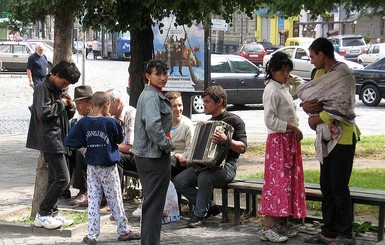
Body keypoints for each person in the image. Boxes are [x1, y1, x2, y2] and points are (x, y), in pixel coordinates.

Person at [300, 37, 360, 245]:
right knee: (326, 185)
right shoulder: (319, 75)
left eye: (312, 56)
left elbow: (343, 106)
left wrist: (318, 118)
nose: (311, 61)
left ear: (321, 54)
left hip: (342, 138)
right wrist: (307, 109)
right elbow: (311, 100)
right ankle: (328, 231)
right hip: (324, 138)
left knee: (339, 187)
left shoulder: (344, 75)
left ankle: (345, 234)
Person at [64, 91, 140, 244]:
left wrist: (86, 144)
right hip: (108, 167)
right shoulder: (110, 122)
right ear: (106, 105)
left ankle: (92, 235)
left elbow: (70, 140)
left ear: (91, 104)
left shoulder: (84, 122)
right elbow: (119, 138)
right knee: (115, 199)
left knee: (93, 200)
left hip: (92, 166)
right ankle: (123, 231)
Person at [173, 85, 247, 228]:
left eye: (207, 102)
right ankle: (210, 207)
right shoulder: (207, 123)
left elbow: (243, 147)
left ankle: (199, 214)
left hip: (227, 166)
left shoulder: (235, 121)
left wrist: (227, 140)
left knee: (205, 177)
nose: (203, 105)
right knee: (179, 181)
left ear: (219, 102)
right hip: (204, 166)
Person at [258, 51, 306, 243]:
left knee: (286, 183)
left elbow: (300, 83)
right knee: (277, 183)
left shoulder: (283, 86)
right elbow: (270, 120)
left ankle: (279, 225)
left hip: (288, 141)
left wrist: (289, 75)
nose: (286, 74)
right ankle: (268, 227)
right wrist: (292, 127)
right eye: (282, 71)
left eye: (288, 71)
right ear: (272, 70)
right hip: (279, 141)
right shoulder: (271, 89)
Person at [26, 61, 80, 229]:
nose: (65, 86)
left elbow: (63, 116)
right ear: (56, 75)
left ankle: (52, 214)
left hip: (60, 138)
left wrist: (70, 107)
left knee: (54, 179)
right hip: (50, 139)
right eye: (64, 82)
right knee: (64, 179)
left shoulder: (58, 90)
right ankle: (43, 213)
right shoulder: (42, 88)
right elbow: (43, 113)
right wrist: (62, 104)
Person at [132, 59, 175, 245]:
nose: (163, 78)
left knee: (153, 204)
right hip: (153, 156)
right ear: (148, 76)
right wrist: (167, 145)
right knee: (154, 205)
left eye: (165, 73)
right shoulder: (151, 96)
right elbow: (153, 126)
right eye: (158, 74)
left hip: (150, 156)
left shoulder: (152, 94)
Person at [66, 85, 94, 207]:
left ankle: (84, 190)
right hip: (87, 148)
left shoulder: (97, 116)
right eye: (76, 103)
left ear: (89, 103)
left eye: (80, 103)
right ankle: (63, 188)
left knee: (80, 152)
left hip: (99, 150)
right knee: (67, 151)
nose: (78, 107)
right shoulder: (82, 118)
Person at [164, 91, 194, 178]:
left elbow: (190, 150)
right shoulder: (162, 124)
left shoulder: (187, 124)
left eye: (180, 105)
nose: (178, 109)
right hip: (165, 159)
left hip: (180, 163)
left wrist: (176, 155)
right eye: (174, 106)